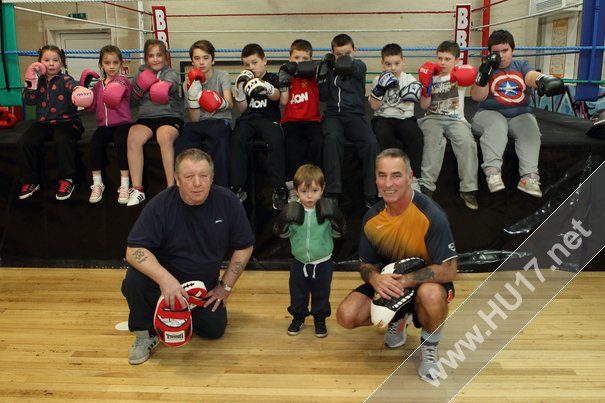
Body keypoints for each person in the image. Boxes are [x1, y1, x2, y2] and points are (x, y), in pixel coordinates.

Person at [121, 148, 254, 365]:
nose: (197, 183)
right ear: (177, 179)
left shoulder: (228, 202)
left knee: (214, 330)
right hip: (163, 284)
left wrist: (225, 287)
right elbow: (133, 250)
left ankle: (178, 314)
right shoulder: (161, 205)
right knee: (135, 279)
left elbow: (244, 246)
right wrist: (167, 281)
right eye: (189, 176)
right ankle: (145, 334)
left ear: (212, 177)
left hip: (203, 286)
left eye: (203, 176)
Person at [336, 148, 457, 382]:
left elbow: (449, 268)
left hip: (425, 284)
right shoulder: (372, 218)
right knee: (346, 315)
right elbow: (365, 264)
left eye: (396, 175)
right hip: (388, 280)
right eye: (382, 175)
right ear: (375, 179)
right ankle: (399, 319)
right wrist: (374, 279)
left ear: (410, 177)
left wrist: (407, 280)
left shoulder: (431, 215)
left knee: (431, 295)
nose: (388, 183)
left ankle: (430, 349)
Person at [470, 29, 565, 198]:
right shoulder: (487, 69)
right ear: (490, 53)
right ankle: (492, 172)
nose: (501, 56)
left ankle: (529, 177)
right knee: (497, 125)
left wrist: (542, 80)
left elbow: (530, 76)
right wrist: (484, 74)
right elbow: (478, 96)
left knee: (531, 128)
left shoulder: (521, 65)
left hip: (519, 114)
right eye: (496, 52)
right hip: (489, 113)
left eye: (505, 50)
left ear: (512, 50)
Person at [272, 164, 346, 338]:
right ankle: (298, 318)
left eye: (314, 190)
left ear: (322, 189)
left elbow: (337, 233)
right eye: (304, 191)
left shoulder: (326, 210)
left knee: (322, 293)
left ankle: (320, 320)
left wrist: (337, 220)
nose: (310, 196)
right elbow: (285, 235)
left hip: (323, 263)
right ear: (297, 191)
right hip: (299, 263)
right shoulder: (294, 211)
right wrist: (283, 223)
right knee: (298, 293)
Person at [17, 45, 93, 201]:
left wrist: (79, 89)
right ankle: (31, 181)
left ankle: (67, 180)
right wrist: (31, 80)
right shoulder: (38, 81)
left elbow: (73, 86)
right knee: (25, 142)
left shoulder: (65, 79)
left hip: (67, 121)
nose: (51, 64)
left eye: (55, 60)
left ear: (62, 63)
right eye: (46, 60)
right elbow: (29, 101)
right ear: (39, 63)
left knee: (62, 139)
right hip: (44, 123)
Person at [319, 33, 380, 208]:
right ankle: (333, 192)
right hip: (333, 116)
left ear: (354, 50)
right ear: (332, 53)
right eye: (339, 54)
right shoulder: (328, 68)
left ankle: (371, 193)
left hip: (355, 116)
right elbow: (323, 97)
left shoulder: (359, 65)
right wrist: (323, 75)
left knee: (370, 142)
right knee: (332, 139)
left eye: (347, 53)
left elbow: (356, 69)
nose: (343, 57)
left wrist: (343, 63)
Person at [417, 40, 480, 210]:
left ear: (457, 61)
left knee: (467, 143)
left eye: (447, 59)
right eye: (440, 58)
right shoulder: (431, 75)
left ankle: (468, 189)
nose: (442, 63)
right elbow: (423, 106)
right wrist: (426, 86)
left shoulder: (460, 75)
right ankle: (426, 187)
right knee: (432, 141)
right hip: (432, 117)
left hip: (456, 119)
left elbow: (475, 89)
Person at [229, 43, 288, 210]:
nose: (251, 67)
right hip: (248, 119)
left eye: (254, 63)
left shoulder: (272, 78)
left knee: (276, 139)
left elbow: (277, 97)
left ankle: (279, 187)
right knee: (236, 139)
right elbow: (242, 109)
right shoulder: (244, 79)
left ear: (265, 61)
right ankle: (237, 187)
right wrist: (240, 91)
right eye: (247, 64)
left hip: (268, 118)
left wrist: (266, 87)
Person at [126, 39, 183, 207]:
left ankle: (171, 187)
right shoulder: (140, 73)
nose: (156, 59)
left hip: (169, 116)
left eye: (159, 55)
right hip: (146, 118)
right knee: (133, 137)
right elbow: (133, 101)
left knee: (164, 137)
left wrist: (161, 86)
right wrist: (139, 87)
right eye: (151, 56)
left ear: (165, 56)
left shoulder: (169, 72)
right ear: (146, 58)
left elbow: (172, 86)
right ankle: (137, 189)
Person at [176, 39, 233, 188]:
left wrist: (219, 102)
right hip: (198, 123)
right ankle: (182, 189)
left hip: (219, 121)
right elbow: (194, 119)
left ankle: (221, 190)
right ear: (192, 61)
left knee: (220, 143)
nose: (201, 62)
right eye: (197, 58)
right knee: (182, 146)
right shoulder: (187, 82)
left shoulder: (222, 76)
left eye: (206, 58)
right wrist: (194, 96)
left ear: (213, 60)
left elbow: (230, 103)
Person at [369, 43, 424, 193]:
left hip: (405, 118)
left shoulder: (409, 79)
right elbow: (374, 106)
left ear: (403, 62)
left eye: (396, 63)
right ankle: (385, 181)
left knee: (416, 136)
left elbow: (417, 100)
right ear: (382, 63)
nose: (393, 68)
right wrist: (381, 88)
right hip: (383, 117)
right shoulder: (377, 80)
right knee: (383, 135)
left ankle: (413, 178)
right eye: (388, 64)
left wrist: (412, 93)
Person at [82, 45, 133, 204]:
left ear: (120, 64)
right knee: (95, 143)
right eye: (107, 63)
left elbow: (127, 92)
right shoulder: (98, 86)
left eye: (115, 63)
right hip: (103, 125)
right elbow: (90, 107)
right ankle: (97, 183)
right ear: (101, 64)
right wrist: (85, 90)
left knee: (121, 143)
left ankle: (125, 185)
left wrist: (115, 87)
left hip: (122, 123)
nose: (111, 67)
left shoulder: (123, 81)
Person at [278, 39, 323, 202]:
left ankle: (318, 186)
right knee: (291, 147)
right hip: (291, 121)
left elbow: (323, 94)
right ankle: (291, 188)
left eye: (305, 59)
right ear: (289, 58)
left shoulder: (314, 77)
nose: (300, 62)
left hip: (312, 120)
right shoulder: (287, 75)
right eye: (296, 58)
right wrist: (283, 82)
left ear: (310, 60)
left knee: (318, 143)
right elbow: (283, 102)